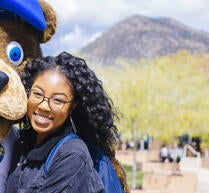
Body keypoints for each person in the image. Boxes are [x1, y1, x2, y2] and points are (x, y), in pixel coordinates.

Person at [7, 52, 124, 192]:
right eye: (37, 94)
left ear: (72, 106)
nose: (44, 106)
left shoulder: (72, 155)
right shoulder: (21, 143)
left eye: (58, 100)